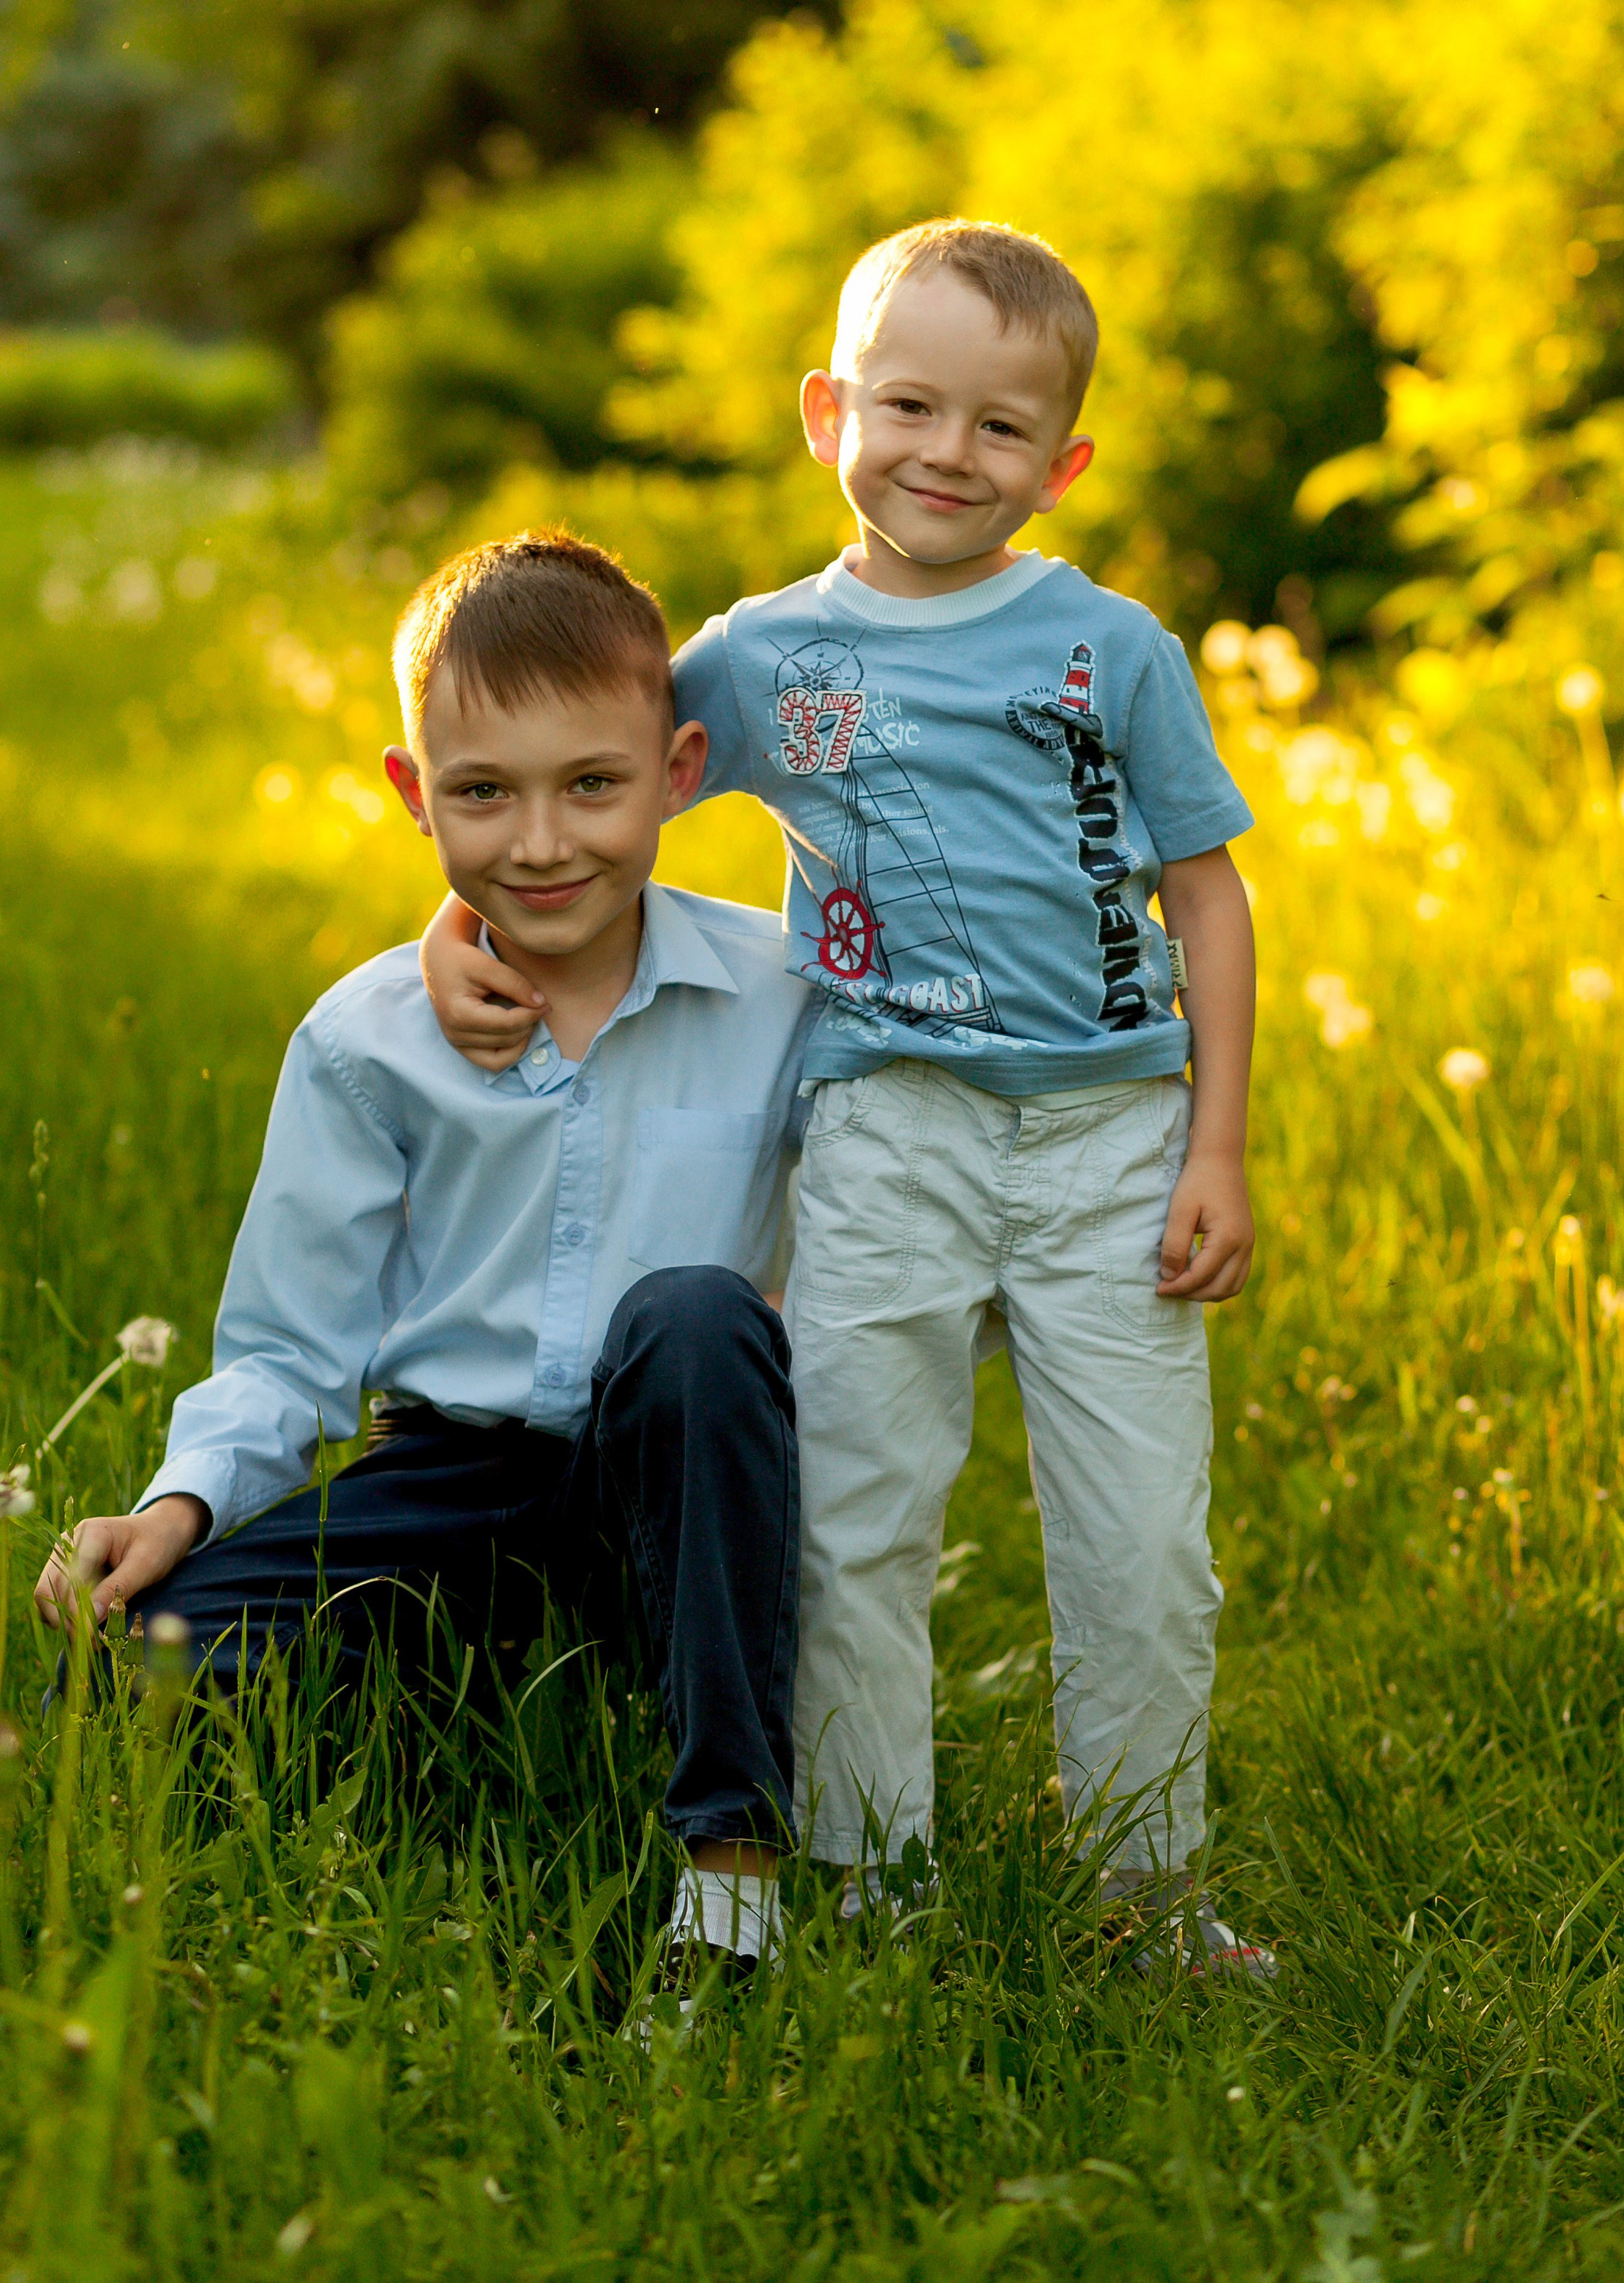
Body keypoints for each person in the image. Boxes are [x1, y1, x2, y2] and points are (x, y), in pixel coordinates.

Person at [423, 221, 1272, 1976]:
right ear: (828, 413)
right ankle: (866, 1882)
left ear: (1063, 459)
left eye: (998, 427)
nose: (946, 455)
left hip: (1107, 1139)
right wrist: (460, 914)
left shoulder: (1108, 652)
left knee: (1140, 1547)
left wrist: (1214, 1145)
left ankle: (1145, 1896)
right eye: (907, 405)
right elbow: (594, 799)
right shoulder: (762, 658)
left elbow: (1204, 890)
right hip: (882, 1130)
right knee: (854, 1516)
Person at [35, 532, 815, 1980]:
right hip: (451, 1471)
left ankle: (728, 1876)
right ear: (414, 795)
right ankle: (425, 1735)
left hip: (683, 1462)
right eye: (481, 794)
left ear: (679, 770)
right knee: (147, 1659)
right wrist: (182, 1504)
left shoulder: (780, 992)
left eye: (592, 784)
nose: (538, 844)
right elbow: (286, 1341)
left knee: (700, 1316)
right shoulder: (366, 1037)